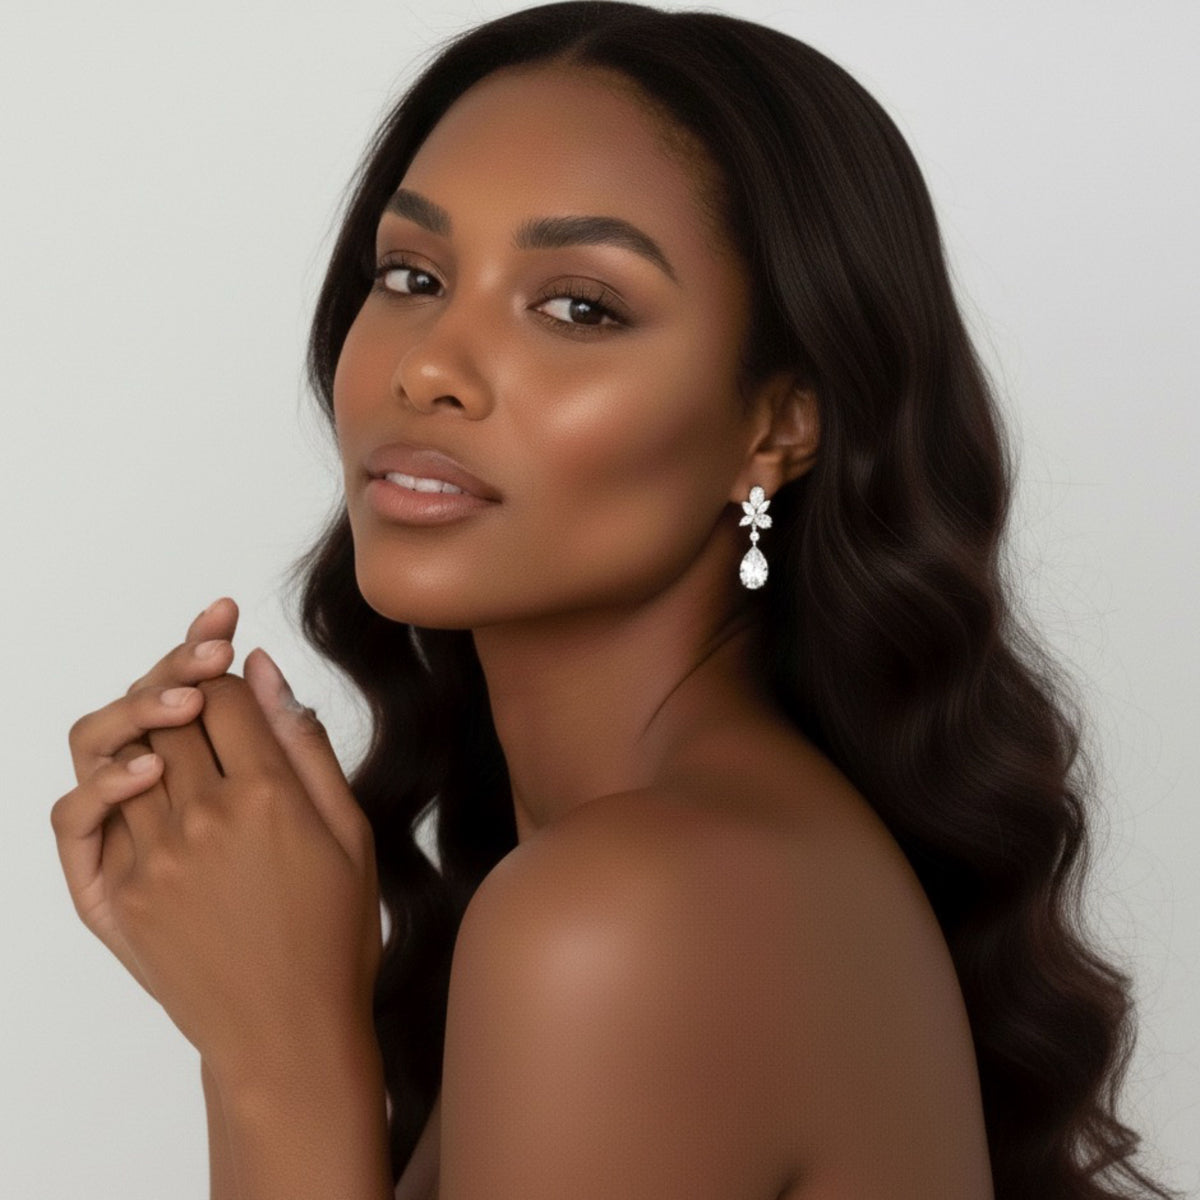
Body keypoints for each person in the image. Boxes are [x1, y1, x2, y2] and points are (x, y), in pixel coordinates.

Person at [49, 3, 1180, 1198]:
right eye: (412, 274)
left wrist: (275, 1055)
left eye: (580, 306)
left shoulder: (631, 918)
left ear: (777, 425)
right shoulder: (700, 860)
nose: (425, 365)